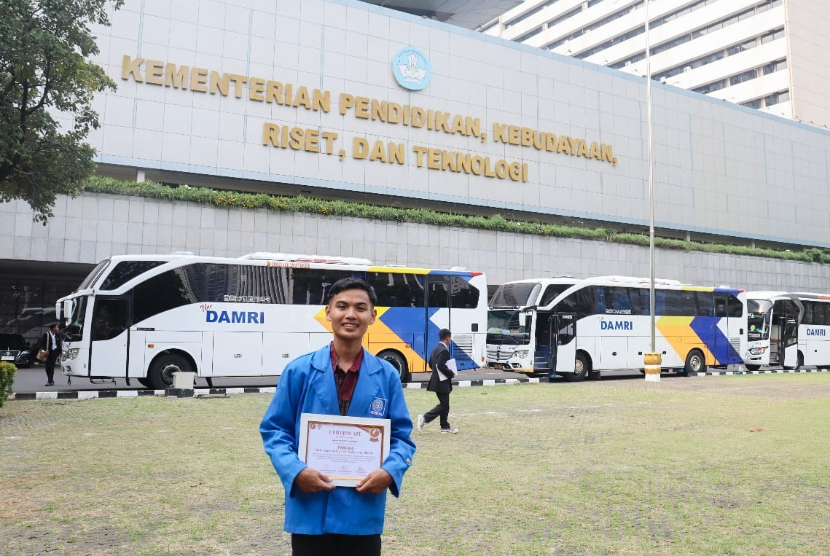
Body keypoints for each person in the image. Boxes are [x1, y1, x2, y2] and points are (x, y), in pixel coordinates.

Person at [260, 277, 416, 556]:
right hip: (311, 510)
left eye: (360, 307)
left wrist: (390, 472)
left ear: (372, 316)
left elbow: (402, 437)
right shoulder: (299, 371)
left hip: (362, 510)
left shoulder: (387, 375)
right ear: (328, 312)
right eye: (342, 306)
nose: (350, 315)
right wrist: (295, 471)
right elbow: (275, 430)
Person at [417, 328, 458, 434]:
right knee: (444, 405)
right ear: (447, 337)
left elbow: (431, 364)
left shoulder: (436, 348)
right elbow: (440, 365)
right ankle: (425, 418)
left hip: (436, 381)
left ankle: (444, 426)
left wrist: (437, 372)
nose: (450, 340)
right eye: (450, 337)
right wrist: (450, 373)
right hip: (442, 382)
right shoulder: (444, 350)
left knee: (445, 404)